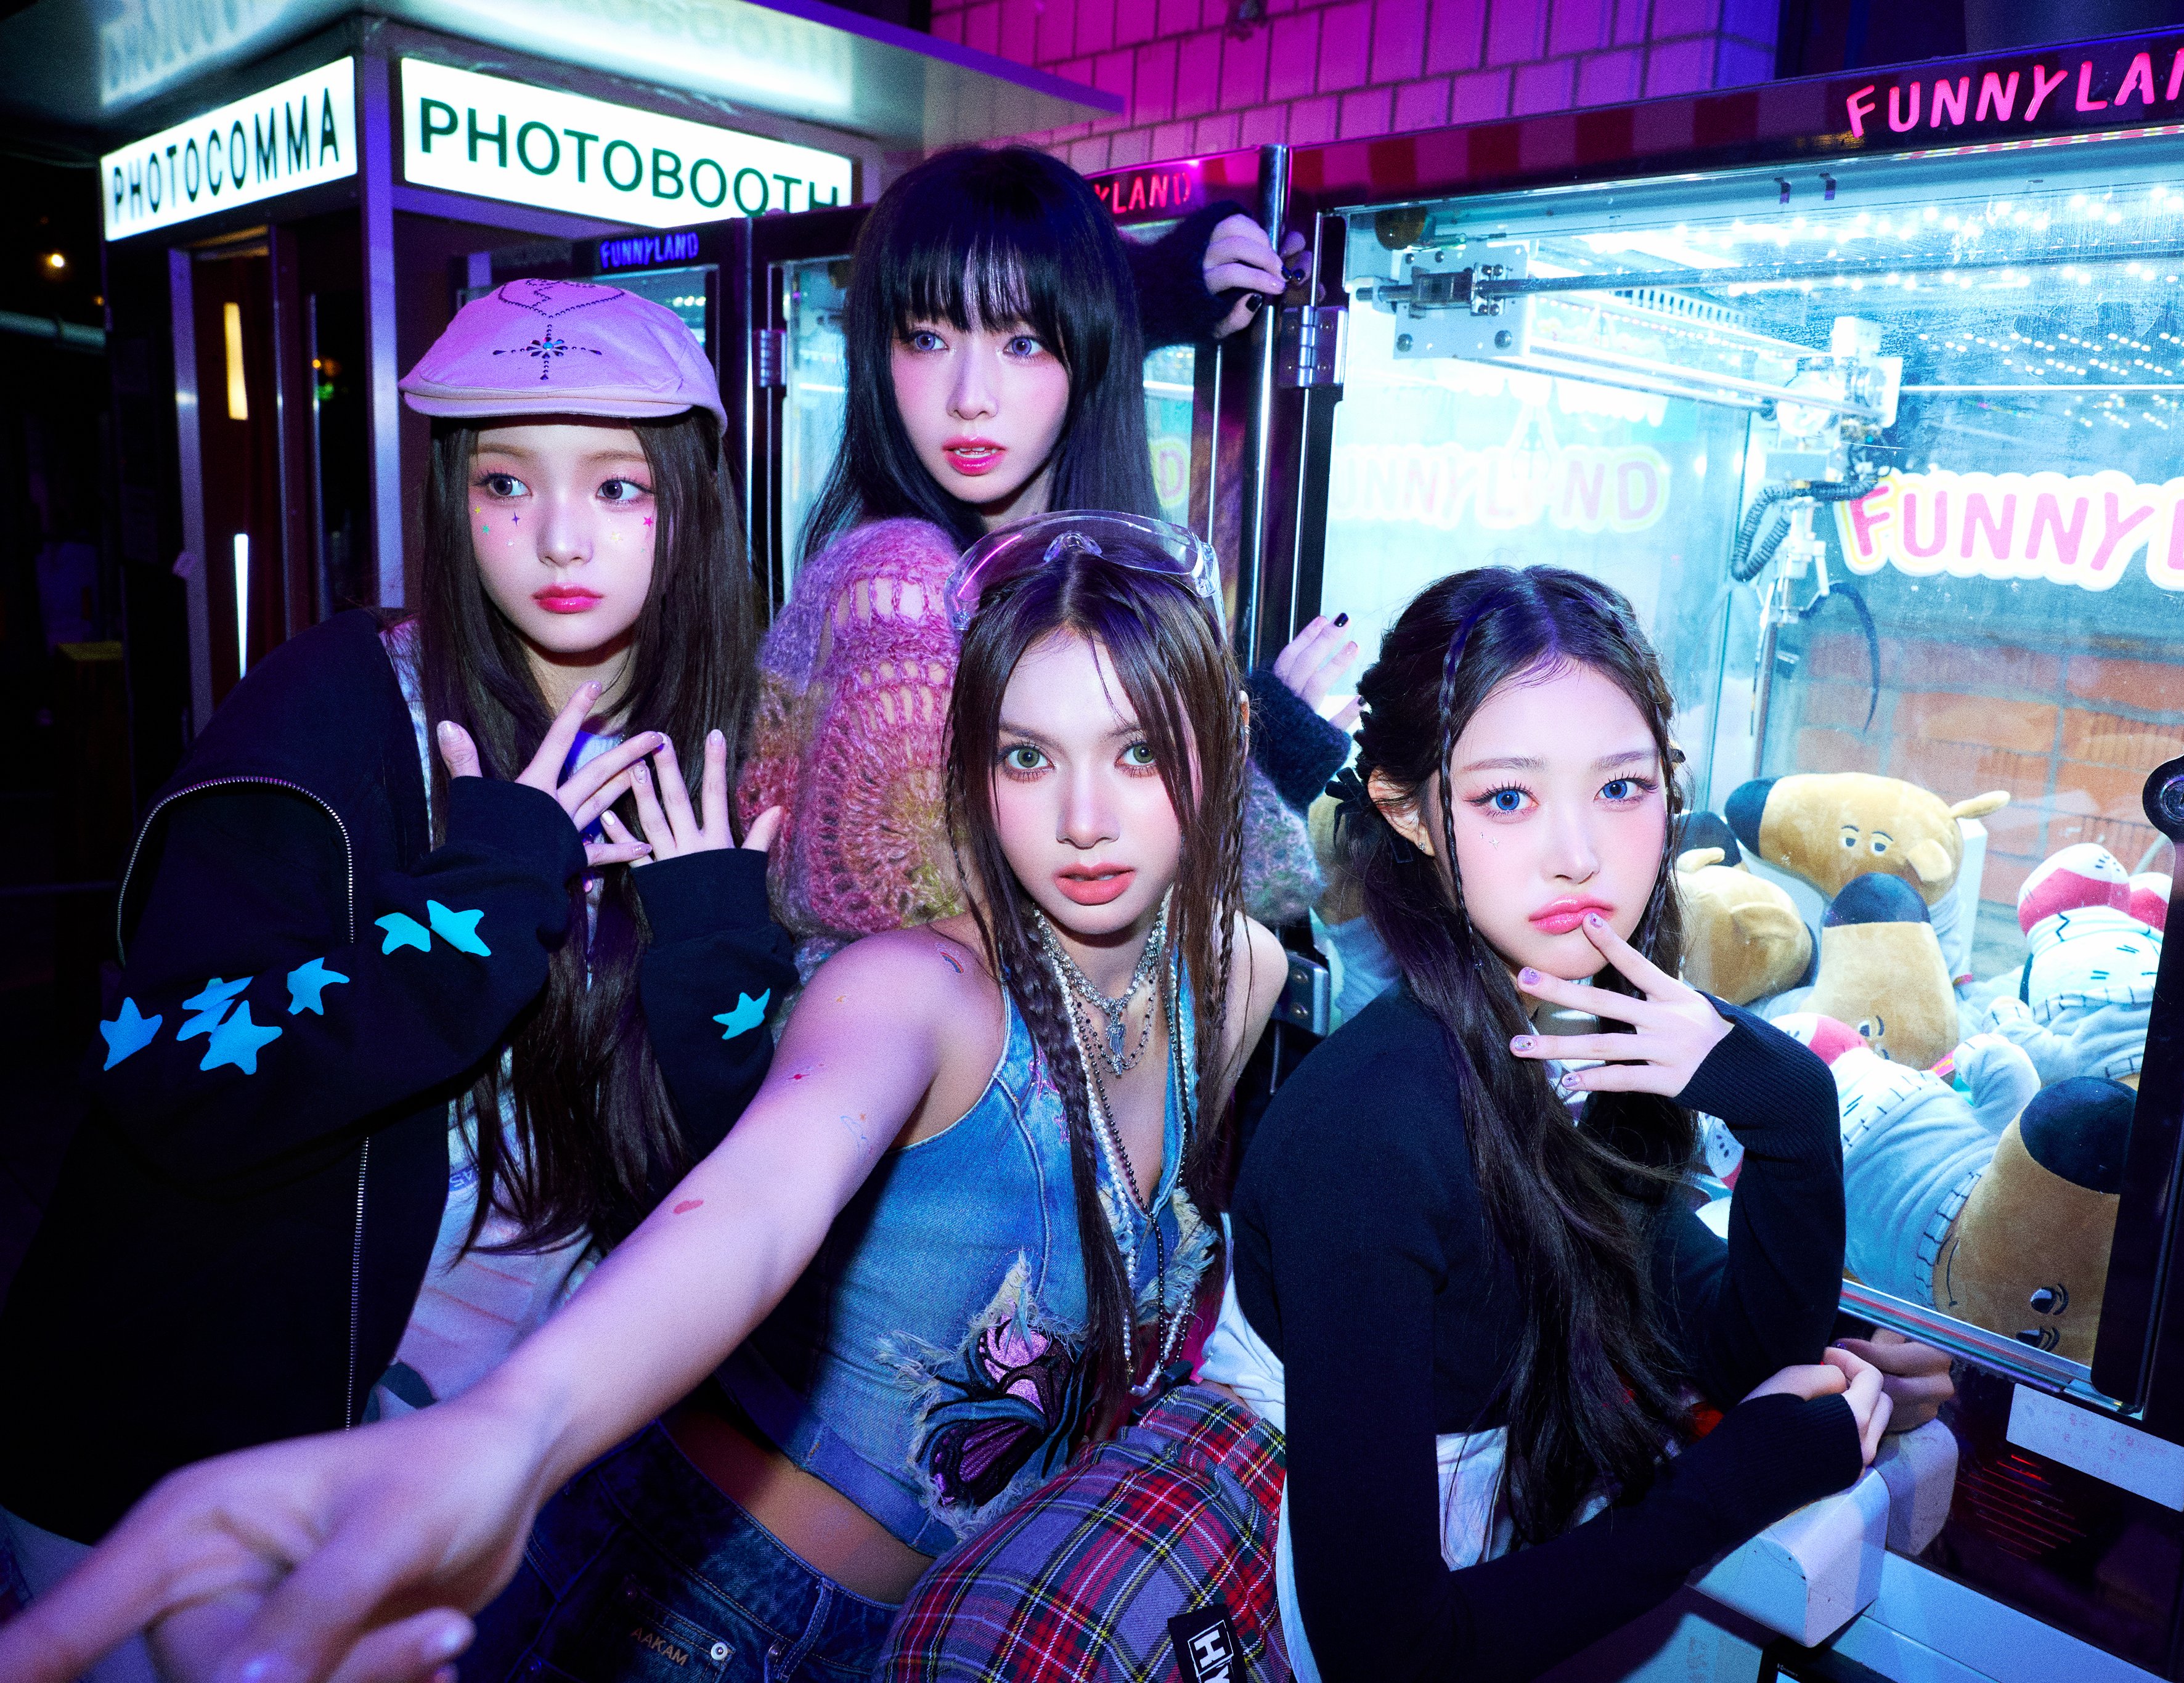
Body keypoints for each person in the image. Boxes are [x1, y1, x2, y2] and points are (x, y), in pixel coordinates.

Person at [0, 520, 1287, 1683]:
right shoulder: (918, 989)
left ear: (1220, 740)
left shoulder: (1239, 982)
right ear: (969, 771)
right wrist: (515, 1427)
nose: (1082, 817)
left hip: (933, 1631)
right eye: (1025, 756)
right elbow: (757, 1205)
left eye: (1137, 751)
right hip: (691, 1605)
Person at [0, 280, 794, 1681]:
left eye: (617, 487)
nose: (559, 538)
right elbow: (165, 1062)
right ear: (450, 499)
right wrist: (481, 901)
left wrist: (717, 941)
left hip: (469, 1485)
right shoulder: (341, 705)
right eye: (506, 484)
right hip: (191, 1473)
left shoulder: (713, 754)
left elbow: (729, 1174)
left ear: (692, 506)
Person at [1205, 565, 1896, 1683]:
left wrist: (1786, 1101)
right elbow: (1390, 1654)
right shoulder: (1373, 1133)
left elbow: (1741, 1350)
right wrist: (1733, 1484)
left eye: (1621, 788)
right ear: (1409, 813)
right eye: (1507, 799)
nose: (1578, 851)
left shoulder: (1566, 1041)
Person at [737, 145, 1353, 955]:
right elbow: (993, 942)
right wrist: (1263, 756)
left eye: (1022, 344)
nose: (969, 399)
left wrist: (1148, 296)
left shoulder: (1028, 569)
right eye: (926, 339)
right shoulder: (901, 583)